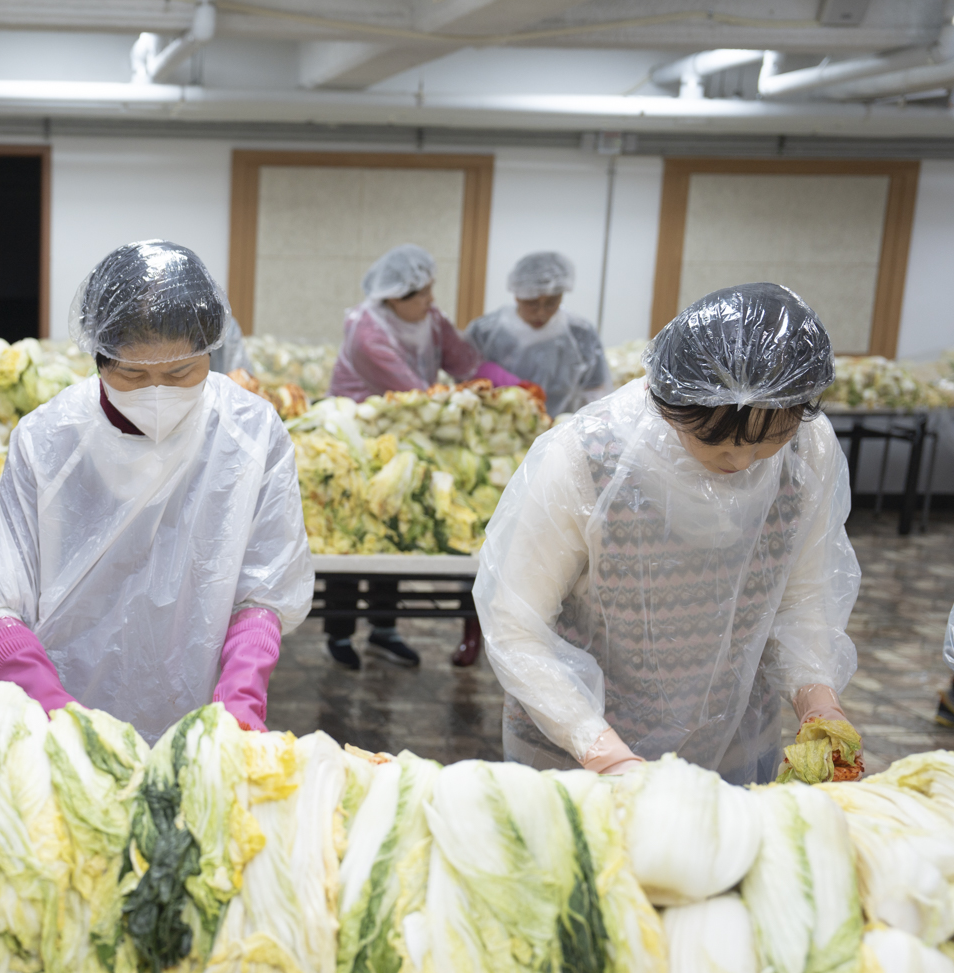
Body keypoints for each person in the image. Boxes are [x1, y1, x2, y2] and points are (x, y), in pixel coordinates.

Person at [475, 283, 860, 785]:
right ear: (672, 403)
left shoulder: (807, 449)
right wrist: (603, 753)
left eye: (770, 438)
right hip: (579, 752)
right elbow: (515, 625)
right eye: (715, 439)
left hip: (732, 740)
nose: (743, 460)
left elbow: (801, 598)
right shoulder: (588, 458)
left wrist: (818, 700)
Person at [0, 240, 313, 739]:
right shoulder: (49, 440)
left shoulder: (250, 432)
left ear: (210, 352)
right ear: (99, 359)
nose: (157, 393)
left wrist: (240, 696)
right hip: (66, 710)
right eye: (132, 373)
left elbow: (266, 584)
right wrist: (52, 706)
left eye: (180, 371)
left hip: (203, 714)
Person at [324, 244, 515, 672]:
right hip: (359, 437)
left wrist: (506, 385)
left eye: (430, 289)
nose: (431, 299)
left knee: (391, 523)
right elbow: (413, 392)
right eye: (421, 293)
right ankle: (339, 632)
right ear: (394, 297)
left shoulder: (432, 320)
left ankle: (384, 628)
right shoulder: (367, 332)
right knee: (353, 529)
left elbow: (464, 362)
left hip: (405, 433)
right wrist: (457, 405)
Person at [465, 251, 611, 417]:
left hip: (562, 428)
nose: (541, 313)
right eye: (532, 303)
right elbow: (466, 383)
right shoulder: (485, 331)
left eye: (551, 303)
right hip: (499, 426)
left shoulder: (581, 334)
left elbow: (595, 389)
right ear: (517, 295)